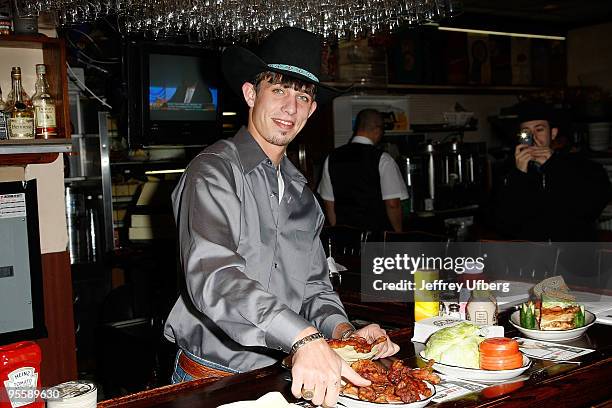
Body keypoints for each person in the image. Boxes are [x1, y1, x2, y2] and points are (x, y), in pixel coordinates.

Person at [164, 27, 399, 408]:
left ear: (312, 110)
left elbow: (313, 288)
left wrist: (345, 333)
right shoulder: (213, 171)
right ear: (250, 93)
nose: (290, 107)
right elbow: (213, 275)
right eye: (279, 90)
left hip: (283, 377)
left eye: (302, 96)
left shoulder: (302, 194)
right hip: (213, 380)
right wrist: (304, 337)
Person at [490, 102, 612, 241]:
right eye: (526, 133)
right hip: (531, 257)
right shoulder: (507, 170)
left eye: (539, 130)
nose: (533, 138)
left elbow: (590, 208)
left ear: (553, 133)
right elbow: (502, 223)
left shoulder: (583, 167)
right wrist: (519, 175)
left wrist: (554, 166)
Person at [318, 109, 409, 232]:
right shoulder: (383, 159)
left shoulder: (332, 158)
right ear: (377, 131)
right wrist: (398, 234)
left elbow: (328, 202)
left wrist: (338, 230)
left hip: (347, 239)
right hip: (377, 238)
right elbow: (393, 204)